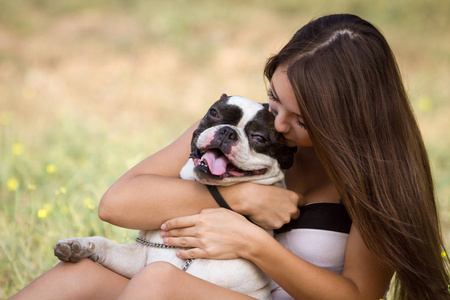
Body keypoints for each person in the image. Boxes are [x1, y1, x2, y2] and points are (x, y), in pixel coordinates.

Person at [11, 13, 449, 300]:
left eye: (301, 121)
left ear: (345, 121)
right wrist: (237, 200)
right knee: (78, 277)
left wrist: (255, 244)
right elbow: (116, 204)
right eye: (276, 100)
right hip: (202, 285)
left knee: (158, 282)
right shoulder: (242, 125)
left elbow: (355, 296)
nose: (278, 127)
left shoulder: (377, 180)